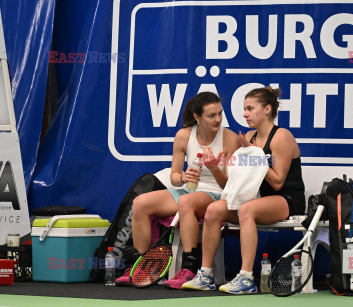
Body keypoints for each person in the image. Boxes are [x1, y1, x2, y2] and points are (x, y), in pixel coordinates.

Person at [182, 87, 305, 294]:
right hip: (256, 199)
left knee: (246, 210)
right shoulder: (249, 136)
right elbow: (232, 185)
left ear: (267, 109)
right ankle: (205, 274)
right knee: (213, 210)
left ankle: (246, 278)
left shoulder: (282, 136)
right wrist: (214, 167)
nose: (245, 114)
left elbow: (277, 182)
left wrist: (254, 154)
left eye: (250, 108)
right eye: (244, 109)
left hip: (285, 199)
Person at [115, 92, 240, 288]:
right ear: (197, 117)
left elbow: (230, 186)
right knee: (141, 203)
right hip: (189, 191)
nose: (218, 119)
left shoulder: (230, 138)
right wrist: (183, 177)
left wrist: (215, 168)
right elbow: (174, 176)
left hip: (218, 194)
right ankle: (141, 266)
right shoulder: (184, 135)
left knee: (185, 202)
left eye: (219, 113)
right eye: (211, 115)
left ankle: (189, 269)